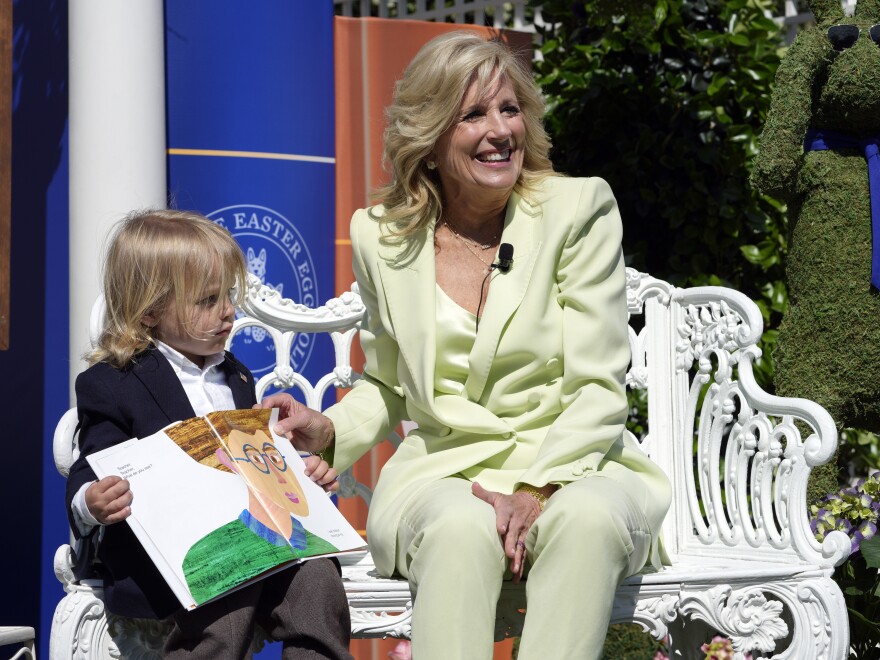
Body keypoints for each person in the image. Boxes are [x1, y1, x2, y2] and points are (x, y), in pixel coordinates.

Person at [262, 31, 674, 660]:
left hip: (579, 463)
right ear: (428, 139)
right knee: (460, 527)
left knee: (585, 520)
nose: (499, 130)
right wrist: (331, 431)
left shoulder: (577, 208)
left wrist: (537, 491)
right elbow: (389, 384)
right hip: (445, 471)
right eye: (473, 115)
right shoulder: (382, 237)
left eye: (508, 110)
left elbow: (597, 384)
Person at [64, 209, 353, 660]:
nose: (227, 313)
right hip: (176, 560)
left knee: (317, 578)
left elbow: (254, 461)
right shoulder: (112, 382)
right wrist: (93, 501)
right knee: (225, 588)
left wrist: (299, 475)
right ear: (151, 310)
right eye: (207, 300)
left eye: (229, 296)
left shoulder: (235, 377)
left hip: (262, 540)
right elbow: (91, 466)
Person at [180, 426, 340, 604]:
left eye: (275, 458)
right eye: (256, 459)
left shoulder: (321, 545)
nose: (279, 476)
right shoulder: (202, 557)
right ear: (230, 463)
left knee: (319, 572)